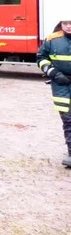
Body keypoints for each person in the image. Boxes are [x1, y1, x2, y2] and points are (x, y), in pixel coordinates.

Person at [36, 16, 71, 168]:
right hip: (60, 84)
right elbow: (41, 59)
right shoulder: (51, 39)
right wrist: (54, 73)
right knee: (68, 119)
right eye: (66, 23)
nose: (68, 26)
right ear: (61, 24)